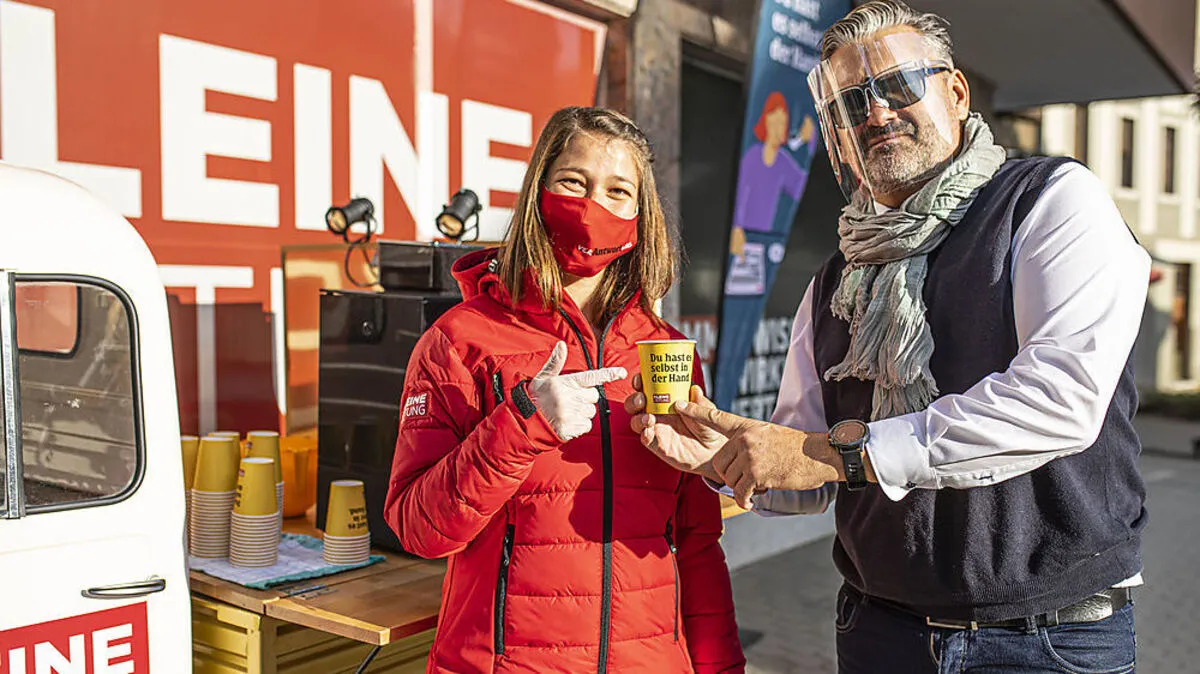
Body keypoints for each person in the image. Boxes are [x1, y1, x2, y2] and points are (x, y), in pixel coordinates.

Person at [627, 2, 1149, 672]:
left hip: (1047, 640)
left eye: (898, 86)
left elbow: (1060, 401)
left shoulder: (1049, 201)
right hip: (882, 633)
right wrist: (726, 455)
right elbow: (808, 478)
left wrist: (840, 456)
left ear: (955, 92)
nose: (874, 113)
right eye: (849, 104)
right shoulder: (835, 279)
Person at [385, 106, 745, 674]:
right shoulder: (459, 341)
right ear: (539, 191)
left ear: (640, 212)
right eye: (574, 182)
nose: (592, 205)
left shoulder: (667, 352)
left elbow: (697, 544)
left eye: (618, 191)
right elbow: (417, 528)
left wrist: (721, 668)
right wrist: (521, 423)